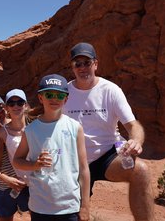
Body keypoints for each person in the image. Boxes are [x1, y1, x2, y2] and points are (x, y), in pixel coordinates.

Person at [63, 42, 155, 221]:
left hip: (108, 155)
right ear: (72, 67)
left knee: (140, 171)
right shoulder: (64, 92)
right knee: (76, 215)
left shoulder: (111, 90)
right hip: (74, 159)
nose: (82, 68)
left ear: (95, 64)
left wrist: (135, 141)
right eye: (77, 64)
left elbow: (133, 125)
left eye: (87, 62)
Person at [13, 74, 90, 221]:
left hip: (69, 207)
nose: (54, 99)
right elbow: (17, 160)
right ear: (41, 98)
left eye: (59, 95)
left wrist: (85, 205)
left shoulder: (75, 128)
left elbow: (84, 168)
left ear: (66, 99)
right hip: (40, 206)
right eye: (49, 94)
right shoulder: (31, 130)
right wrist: (35, 165)